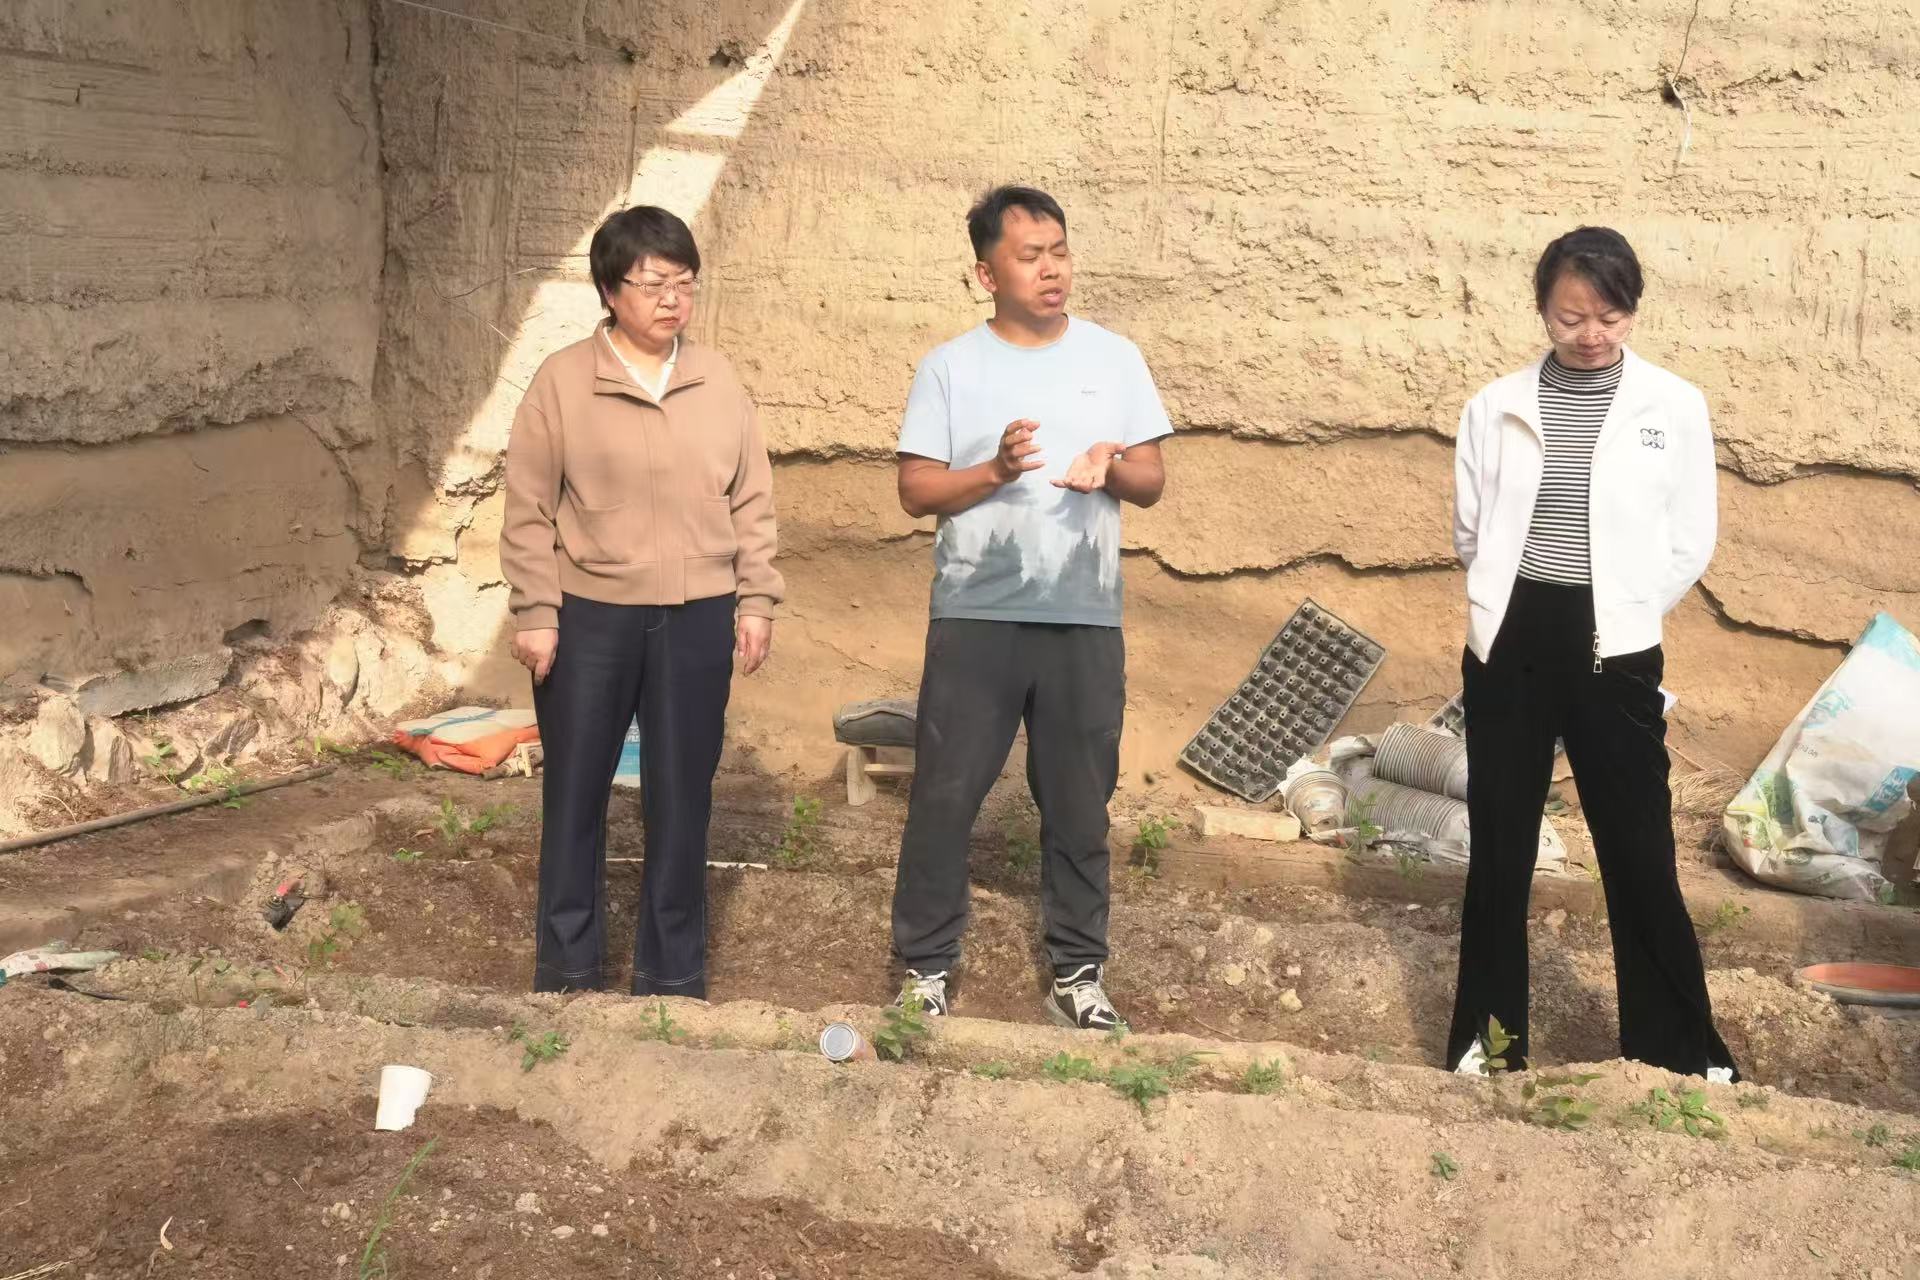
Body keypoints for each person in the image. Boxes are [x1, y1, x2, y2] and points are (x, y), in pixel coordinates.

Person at [1446, 225, 1737, 1081]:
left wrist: (1628, 606)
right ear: (1543, 309)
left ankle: (1676, 1053)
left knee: (1639, 850)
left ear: (1632, 311)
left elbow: (1691, 538)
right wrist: (1504, 604)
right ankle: (1489, 1046)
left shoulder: (1673, 406)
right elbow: (1471, 531)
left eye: (1609, 317)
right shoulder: (1494, 405)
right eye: (1571, 317)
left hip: (1618, 646)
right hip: (1512, 642)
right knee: (1500, 849)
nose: (1591, 334)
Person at [888, 184, 1172, 1031]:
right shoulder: (950, 367)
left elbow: (1151, 480)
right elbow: (915, 491)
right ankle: (925, 969)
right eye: (1029, 256)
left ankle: (1078, 974)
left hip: (1084, 616)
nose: (1052, 270)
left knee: (1081, 803)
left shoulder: (1115, 359)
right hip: (975, 615)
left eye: (1060, 252)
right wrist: (997, 471)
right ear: (987, 274)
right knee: (944, 797)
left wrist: (1109, 466)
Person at [500, 205, 782, 998]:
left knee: (683, 798)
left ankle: (672, 978)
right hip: (591, 616)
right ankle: (569, 971)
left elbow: (752, 499)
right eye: (653, 283)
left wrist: (756, 600)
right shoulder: (563, 382)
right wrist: (536, 612)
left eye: (684, 284)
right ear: (609, 289)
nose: (671, 300)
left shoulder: (717, 380)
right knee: (576, 793)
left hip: (698, 614)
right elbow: (528, 507)